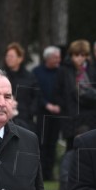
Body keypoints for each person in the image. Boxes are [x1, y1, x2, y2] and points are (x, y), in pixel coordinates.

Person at [53, 39, 96, 151]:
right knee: (72, 149)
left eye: (83, 54)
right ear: (71, 55)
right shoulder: (64, 70)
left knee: (89, 149)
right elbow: (57, 92)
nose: (80, 57)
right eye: (76, 54)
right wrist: (65, 107)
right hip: (71, 116)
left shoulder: (91, 70)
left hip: (89, 115)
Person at [33, 45, 62, 180]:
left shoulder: (61, 72)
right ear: (48, 58)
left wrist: (59, 106)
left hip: (58, 113)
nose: (58, 60)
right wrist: (47, 105)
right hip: (42, 113)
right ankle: (41, 173)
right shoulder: (37, 72)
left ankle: (49, 174)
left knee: (53, 143)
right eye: (56, 57)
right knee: (42, 143)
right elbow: (36, 92)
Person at [3, 42, 38, 133]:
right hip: (4, 119)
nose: (8, 59)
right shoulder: (2, 76)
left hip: (25, 120)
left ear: (20, 58)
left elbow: (37, 96)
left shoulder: (30, 77)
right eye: (7, 56)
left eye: (11, 56)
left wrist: (30, 112)